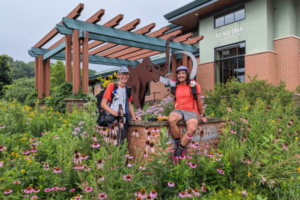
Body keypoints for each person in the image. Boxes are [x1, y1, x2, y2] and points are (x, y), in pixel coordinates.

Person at [168, 66, 207, 162]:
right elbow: (174, 100)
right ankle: (178, 142)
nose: (181, 75)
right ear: (177, 75)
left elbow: (199, 100)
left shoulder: (194, 85)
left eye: (183, 73)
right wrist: (175, 109)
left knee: (192, 128)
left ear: (187, 75)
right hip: (179, 110)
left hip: (192, 111)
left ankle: (180, 148)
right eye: (179, 73)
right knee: (171, 120)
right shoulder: (174, 86)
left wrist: (202, 115)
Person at [101, 66, 141, 145]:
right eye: (123, 74)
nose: (125, 76)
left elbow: (129, 104)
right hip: (113, 122)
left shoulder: (127, 89)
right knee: (115, 145)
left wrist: (133, 116)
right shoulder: (112, 86)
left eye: (127, 74)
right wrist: (114, 113)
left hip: (123, 122)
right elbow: (103, 104)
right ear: (118, 75)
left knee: (122, 145)